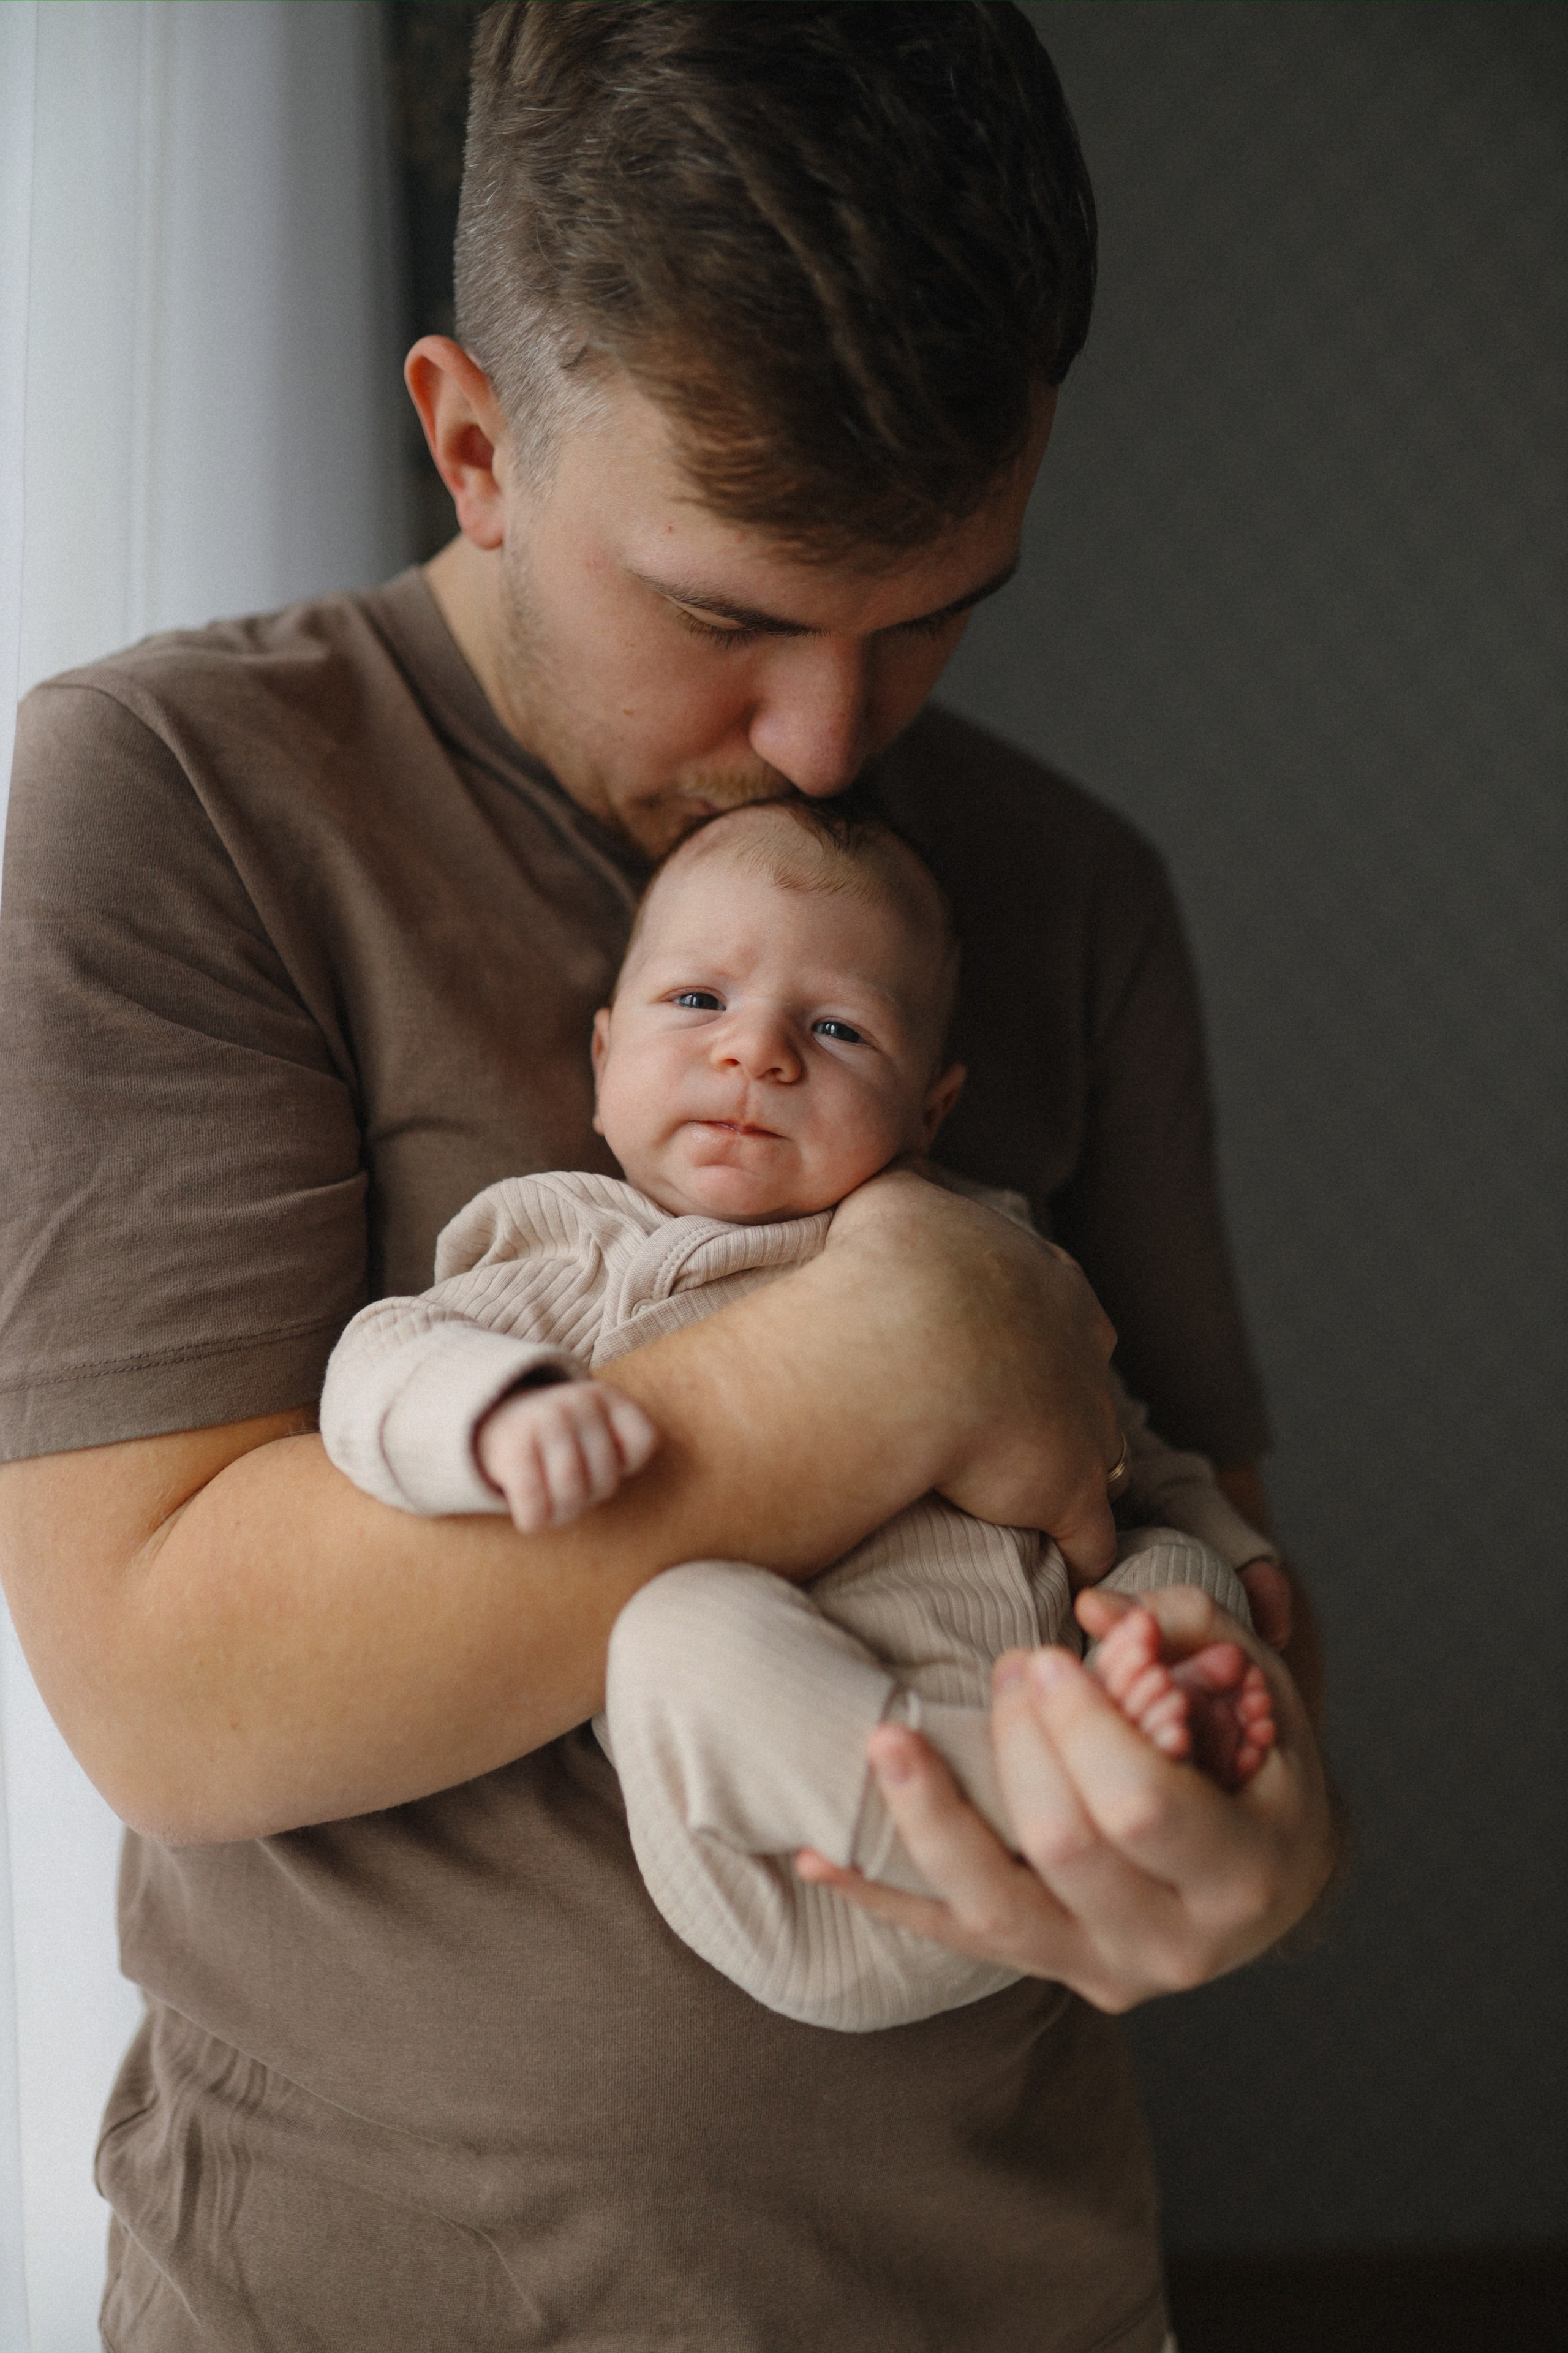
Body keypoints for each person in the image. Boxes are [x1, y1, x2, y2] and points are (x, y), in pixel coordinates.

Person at [0, 7, 1335, 2347]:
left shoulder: (1073, 894)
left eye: (936, 612)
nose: (829, 741)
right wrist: (899, 1348)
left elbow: (1205, 1549)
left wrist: (1262, 1831)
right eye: (732, 615)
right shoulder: (184, 798)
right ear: (475, 442)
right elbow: (174, 1690)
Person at [319, 798, 1283, 2033]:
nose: (756, 1053)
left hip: (1063, 1752)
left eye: (837, 1029)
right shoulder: (576, 1249)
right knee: (674, 1635)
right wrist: (492, 1410)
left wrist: (1230, 1554)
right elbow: (379, 1357)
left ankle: (1140, 1754)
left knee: (1175, 1577)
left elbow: (1119, 1432)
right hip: (824, 1866)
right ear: (603, 1060)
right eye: (697, 1000)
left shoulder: (990, 1248)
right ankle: (1017, 1798)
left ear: (928, 1110)